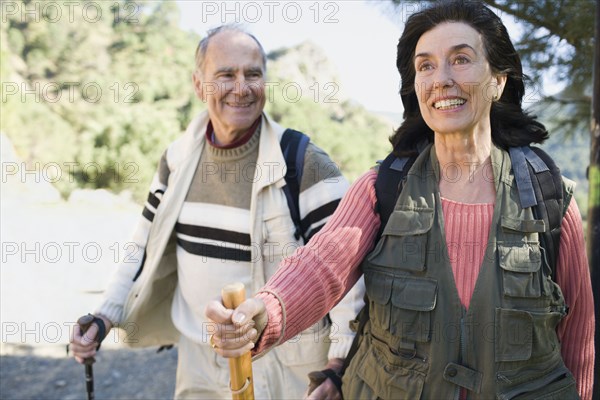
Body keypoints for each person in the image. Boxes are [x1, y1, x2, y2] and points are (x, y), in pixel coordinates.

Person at [206, 1, 595, 399]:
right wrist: (266, 313)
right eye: (425, 65)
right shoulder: (383, 188)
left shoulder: (548, 198)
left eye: (460, 59)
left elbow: (577, 340)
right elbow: (322, 265)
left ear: (498, 80)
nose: (441, 79)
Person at [69, 25, 365, 399]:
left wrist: (338, 365)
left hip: (281, 363)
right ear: (199, 85)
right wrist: (103, 316)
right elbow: (142, 246)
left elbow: (345, 272)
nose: (241, 87)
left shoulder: (304, 163)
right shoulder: (176, 160)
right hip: (196, 359)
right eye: (226, 74)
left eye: (253, 74)